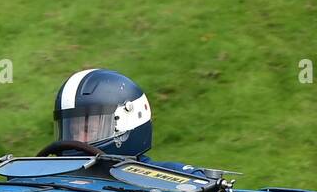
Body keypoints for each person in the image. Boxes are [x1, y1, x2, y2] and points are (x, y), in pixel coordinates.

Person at [52, 68, 206, 175]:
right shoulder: (49, 177)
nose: (78, 140)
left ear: (128, 122)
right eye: (72, 131)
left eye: (89, 130)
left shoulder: (173, 178)